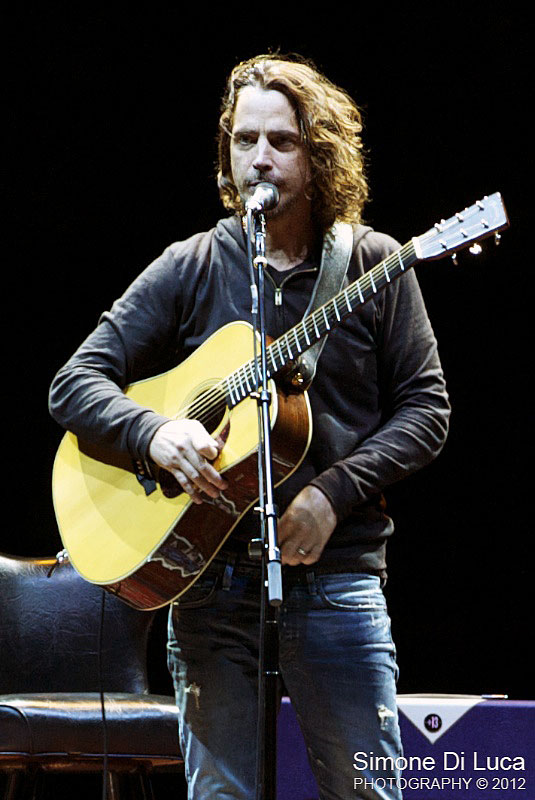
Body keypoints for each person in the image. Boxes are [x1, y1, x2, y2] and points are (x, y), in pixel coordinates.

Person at [49, 54, 450, 800]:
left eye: (281, 141)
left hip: (338, 580)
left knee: (366, 790)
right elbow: (73, 384)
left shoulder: (375, 264)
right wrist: (151, 433)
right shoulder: (193, 263)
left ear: (318, 155)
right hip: (208, 581)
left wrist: (332, 493)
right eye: (243, 139)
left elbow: (427, 410)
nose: (258, 157)